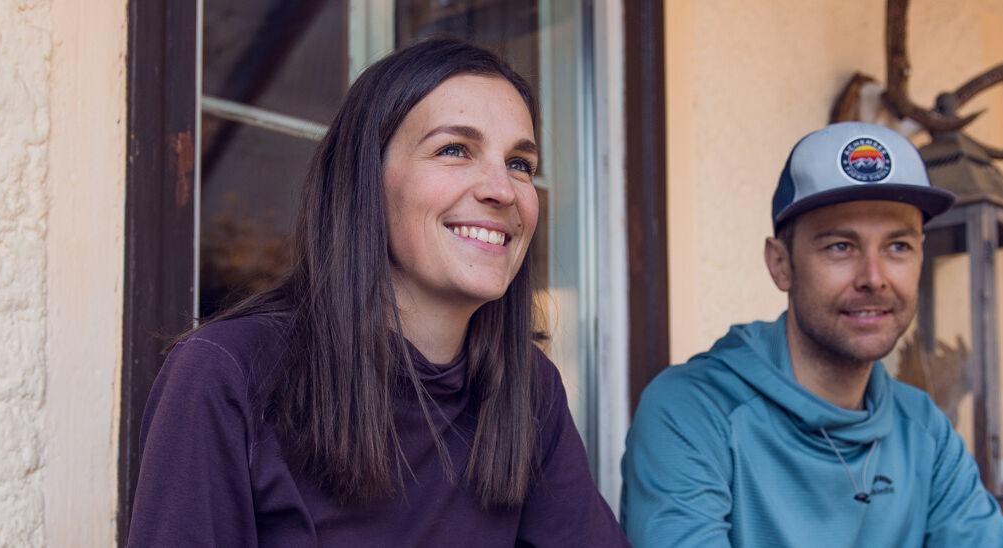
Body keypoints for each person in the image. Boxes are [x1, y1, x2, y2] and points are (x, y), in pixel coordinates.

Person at [126, 38, 627, 547]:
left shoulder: (526, 388)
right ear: (366, 179)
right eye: (454, 150)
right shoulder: (227, 372)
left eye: (520, 163)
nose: (503, 189)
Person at [620, 122, 1003, 547]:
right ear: (780, 264)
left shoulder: (925, 432)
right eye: (840, 247)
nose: (874, 277)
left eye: (898, 246)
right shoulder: (692, 411)